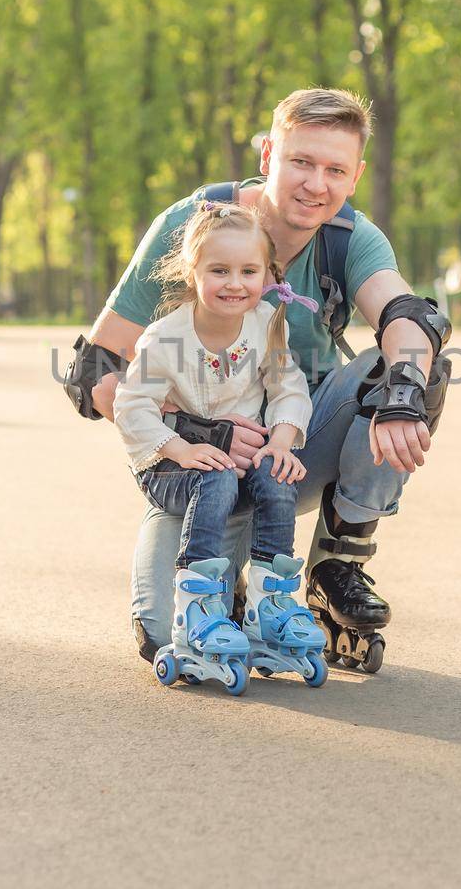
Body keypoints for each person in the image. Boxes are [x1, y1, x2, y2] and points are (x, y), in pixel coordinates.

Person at [62, 88, 452, 675]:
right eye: (301, 161)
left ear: (355, 177)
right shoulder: (191, 227)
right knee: (163, 634)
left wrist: (403, 395)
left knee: (411, 367)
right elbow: (93, 369)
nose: (316, 184)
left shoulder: (350, 238)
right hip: (193, 464)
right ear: (269, 154)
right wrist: (196, 432)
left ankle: (336, 566)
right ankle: (230, 580)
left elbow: (406, 316)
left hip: (291, 447)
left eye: (335, 170)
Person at [113, 203, 326, 692]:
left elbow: (290, 388)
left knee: (274, 476)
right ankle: (201, 606)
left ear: (268, 274)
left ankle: (269, 606)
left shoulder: (268, 323)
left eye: (249, 271)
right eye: (219, 270)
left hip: (234, 459)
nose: (235, 283)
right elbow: (131, 406)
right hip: (167, 464)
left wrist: (281, 440)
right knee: (215, 477)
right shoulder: (164, 337)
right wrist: (179, 449)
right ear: (193, 272)